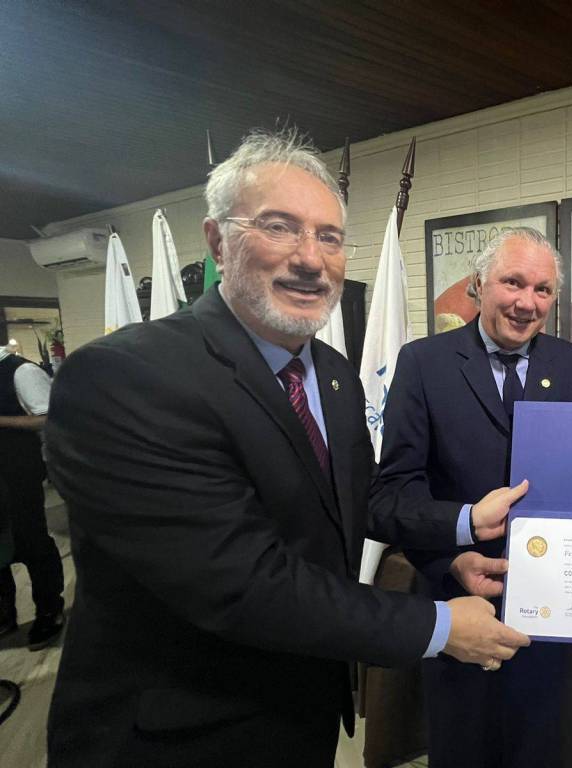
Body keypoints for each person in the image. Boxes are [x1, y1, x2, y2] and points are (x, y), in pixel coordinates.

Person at [44, 129, 530, 768]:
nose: (310, 258)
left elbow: (357, 502)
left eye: (329, 237)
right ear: (218, 241)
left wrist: (463, 527)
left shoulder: (331, 373)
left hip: (302, 712)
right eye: (279, 227)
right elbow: (242, 582)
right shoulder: (126, 377)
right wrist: (438, 626)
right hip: (179, 736)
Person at [373, 227, 572, 768]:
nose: (527, 302)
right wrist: (453, 554)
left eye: (543, 289)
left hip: (552, 608)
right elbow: (393, 495)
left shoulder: (570, 365)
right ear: (478, 284)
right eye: (513, 282)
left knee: (543, 749)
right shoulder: (423, 363)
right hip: (460, 606)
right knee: (463, 749)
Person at [0, 343, 64, 649]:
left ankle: (49, 610)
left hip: (17, 475)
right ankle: (4, 613)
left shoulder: (21, 370)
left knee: (30, 540)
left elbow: (50, 417)